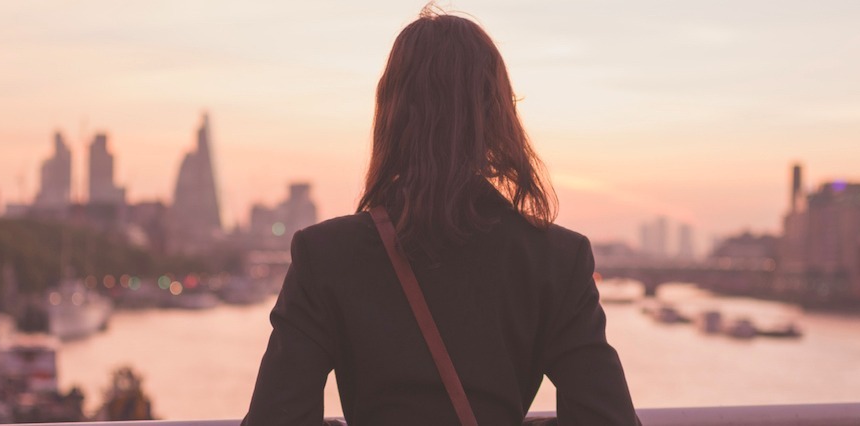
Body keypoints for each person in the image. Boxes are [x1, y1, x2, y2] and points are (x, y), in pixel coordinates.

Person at [244, 8, 638, 426]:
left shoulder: (325, 255)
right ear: (496, 114)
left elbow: (275, 417)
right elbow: (607, 418)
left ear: (391, 114)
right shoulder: (557, 259)